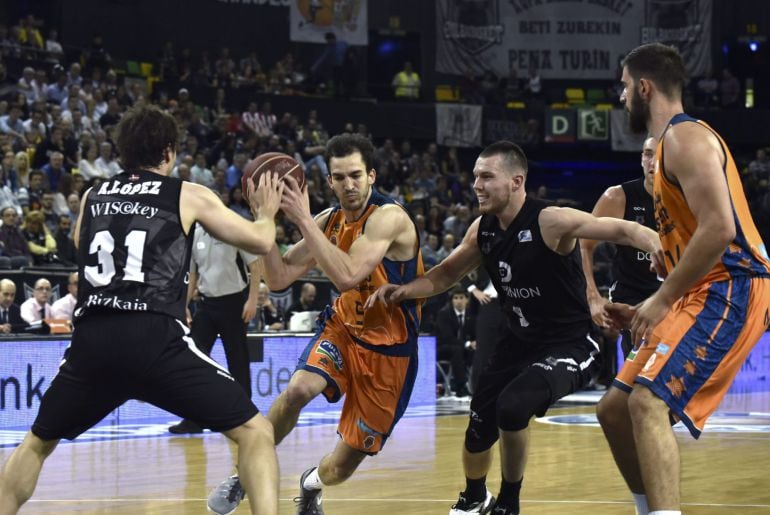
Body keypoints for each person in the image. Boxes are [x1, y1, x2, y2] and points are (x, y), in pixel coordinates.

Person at [0, 105, 285, 515]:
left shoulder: (94, 195)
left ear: (123, 152)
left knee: (37, 442)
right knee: (256, 431)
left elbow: (83, 240)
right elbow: (259, 242)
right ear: (168, 152)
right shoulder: (188, 194)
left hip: (93, 340)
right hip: (153, 337)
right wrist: (266, 213)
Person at [364, 140, 662, 515]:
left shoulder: (551, 220)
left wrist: (654, 243)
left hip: (570, 343)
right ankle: (474, 496)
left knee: (512, 406)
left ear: (516, 181)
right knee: (477, 428)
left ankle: (509, 503)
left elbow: (617, 229)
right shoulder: (482, 229)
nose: (476, 185)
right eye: (475, 176)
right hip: (517, 341)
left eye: (487, 177)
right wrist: (403, 291)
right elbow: (446, 275)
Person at [207, 133, 424, 515]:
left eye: (355, 175)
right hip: (343, 329)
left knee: (340, 468)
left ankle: (312, 484)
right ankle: (244, 473)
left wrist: (304, 219)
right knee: (297, 391)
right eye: (339, 177)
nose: (348, 185)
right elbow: (279, 278)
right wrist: (265, 221)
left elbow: (348, 276)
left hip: (390, 352)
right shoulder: (329, 220)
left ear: (372, 175)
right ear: (328, 181)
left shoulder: (389, 218)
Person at [596, 42, 770, 515]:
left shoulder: (685, 138)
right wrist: (659, 291)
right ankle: (647, 508)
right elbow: (698, 236)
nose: (622, 95)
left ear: (645, 87)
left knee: (647, 404)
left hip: (733, 285)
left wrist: (660, 298)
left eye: (626, 86)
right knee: (613, 410)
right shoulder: (666, 153)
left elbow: (721, 228)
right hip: (700, 289)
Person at [168, 225, 261, 435]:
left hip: (234, 302)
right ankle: (194, 418)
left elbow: (256, 264)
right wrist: (183, 305)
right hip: (207, 303)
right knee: (193, 357)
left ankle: (244, 416)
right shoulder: (196, 235)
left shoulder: (232, 230)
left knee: (237, 360)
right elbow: (192, 274)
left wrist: (253, 300)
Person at [581, 136, 661, 370]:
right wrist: (593, 296)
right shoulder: (617, 197)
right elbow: (584, 245)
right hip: (631, 295)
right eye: (647, 154)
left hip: (672, 294)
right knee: (637, 377)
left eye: (659, 155)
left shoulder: (688, 197)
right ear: (641, 159)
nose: (652, 162)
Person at [435, 286, 475, 397]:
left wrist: (475, 343)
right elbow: (447, 338)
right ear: (452, 300)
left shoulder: (471, 315)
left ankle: (478, 384)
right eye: (455, 298)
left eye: (461, 298)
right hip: (441, 348)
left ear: (467, 300)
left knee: (475, 351)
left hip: (460, 348)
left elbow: (474, 333)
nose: (458, 301)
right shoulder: (444, 314)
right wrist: (467, 344)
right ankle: (460, 387)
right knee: (457, 350)